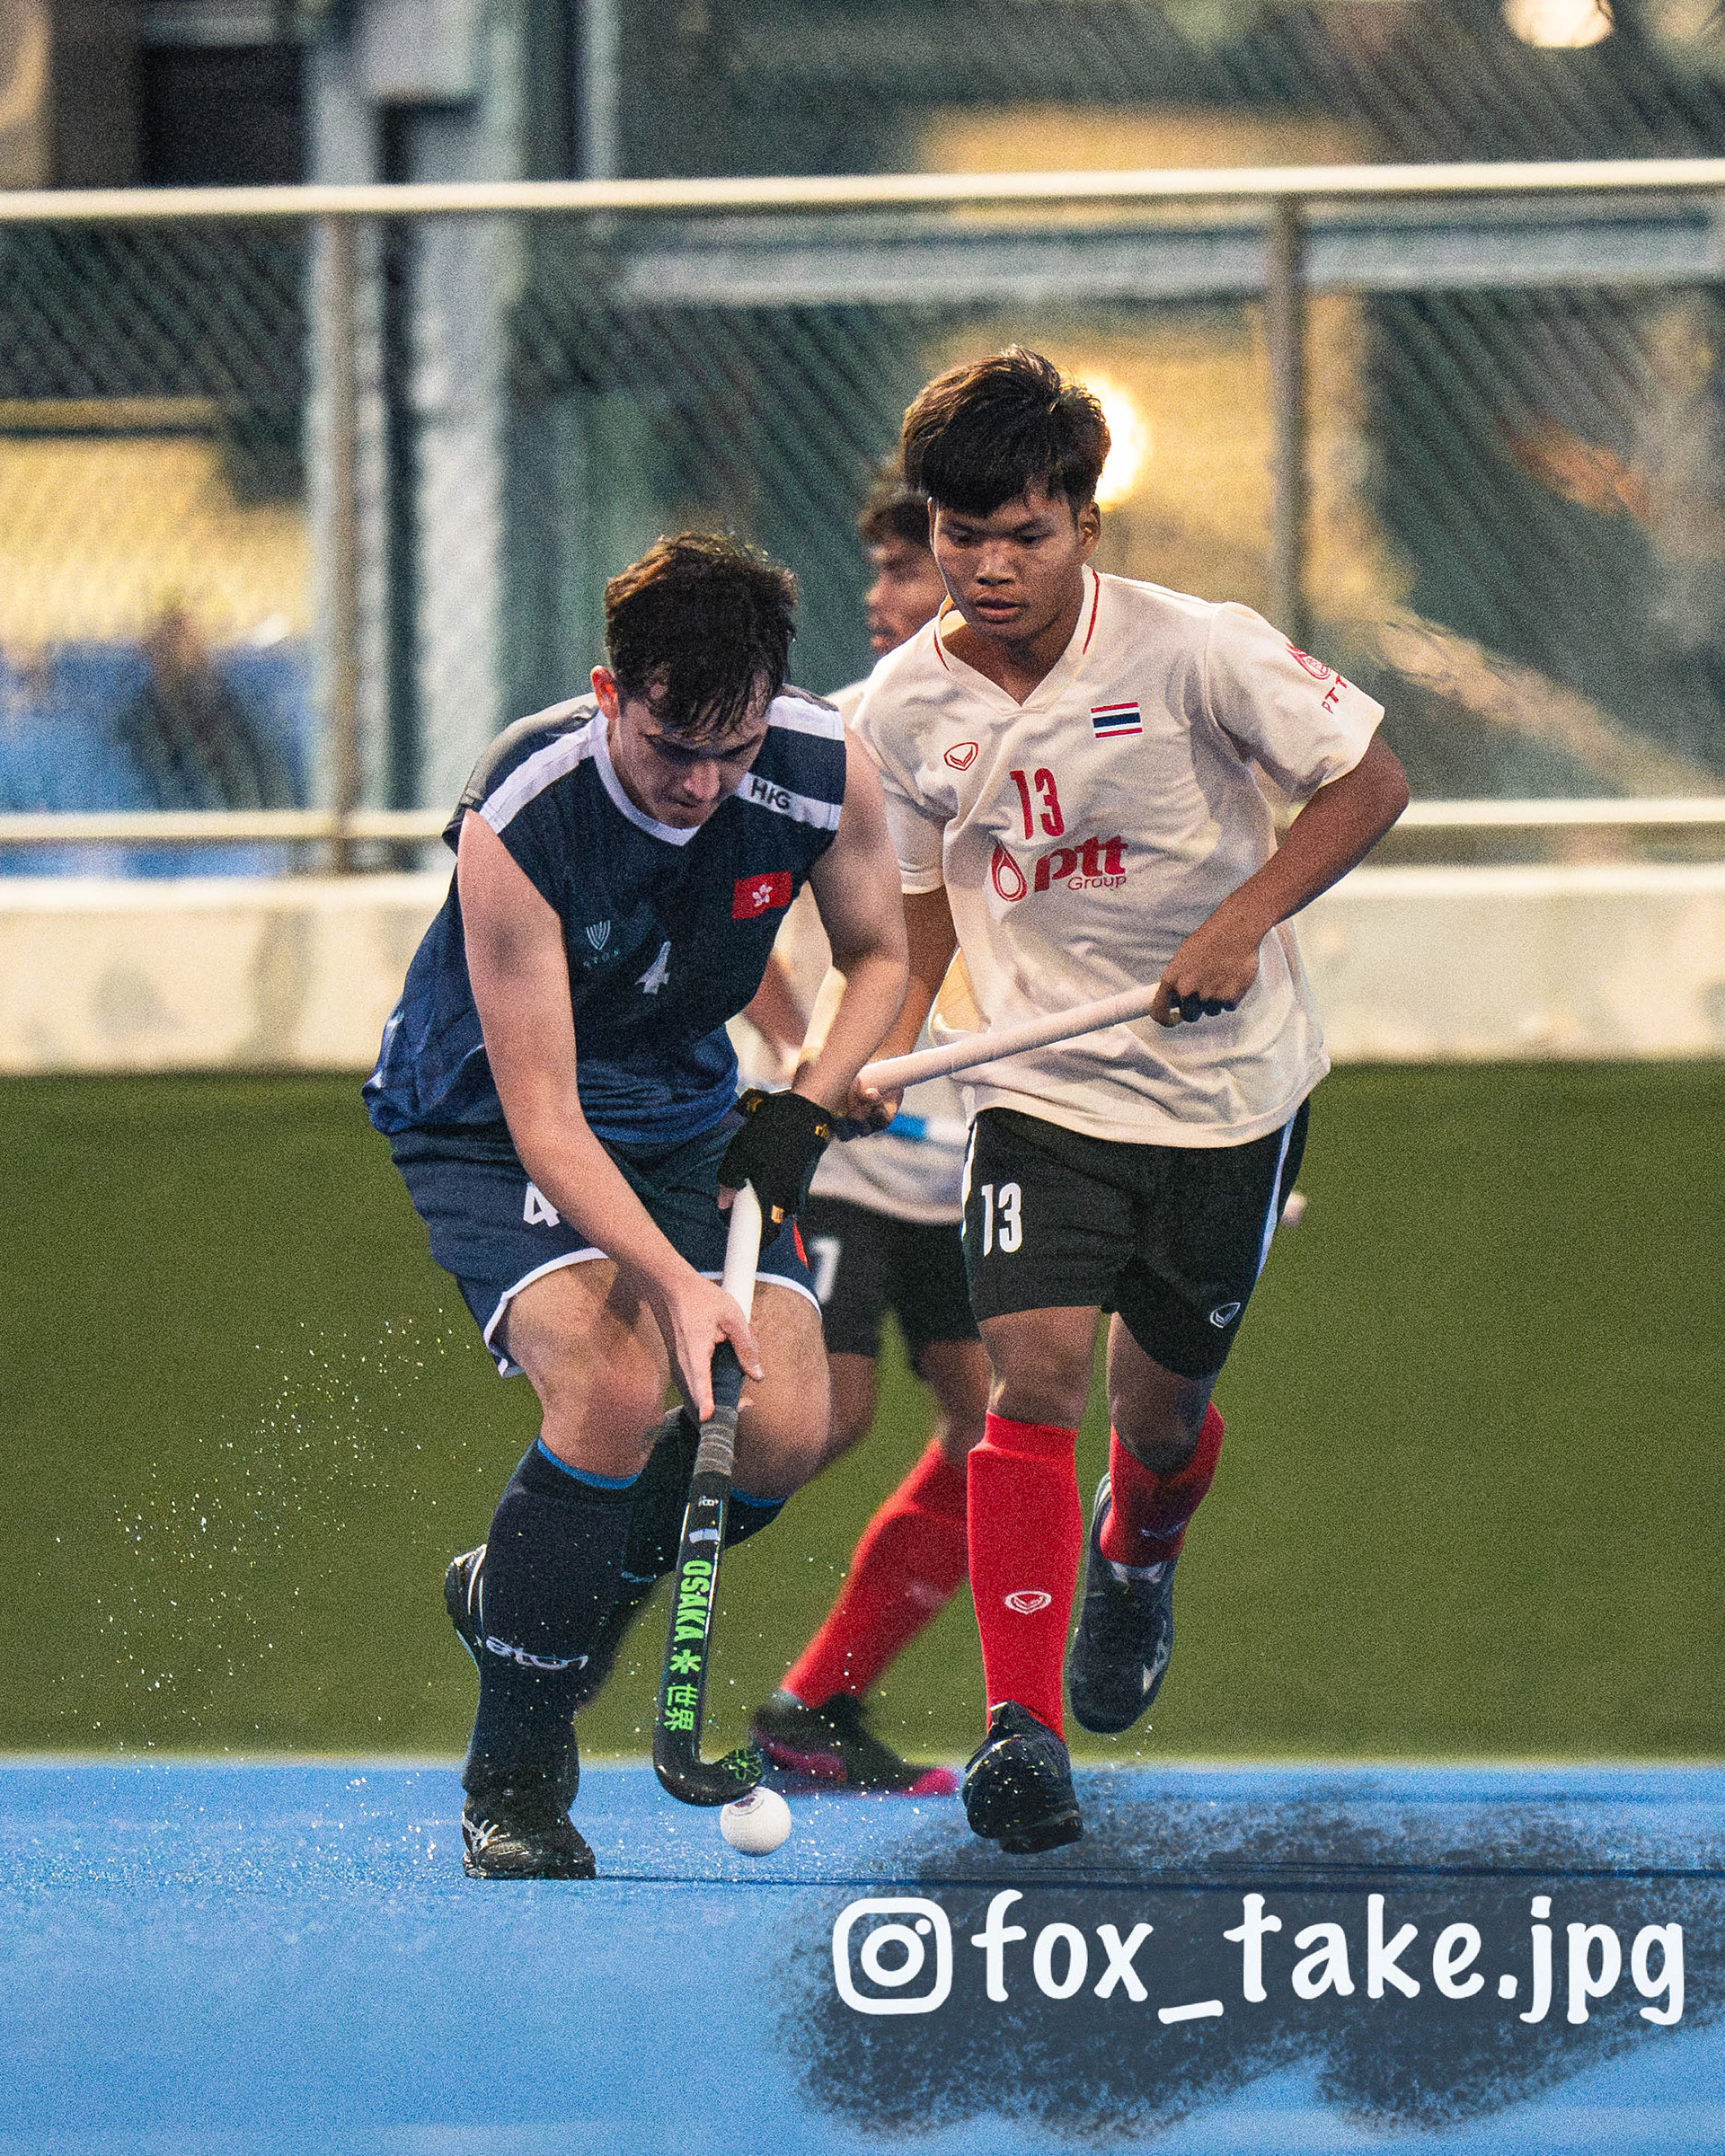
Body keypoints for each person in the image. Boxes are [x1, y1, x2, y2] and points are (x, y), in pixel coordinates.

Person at [848, 349, 1410, 1853]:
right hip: (1038, 1092)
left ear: (1085, 525)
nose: (990, 568)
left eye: (1025, 536)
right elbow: (920, 928)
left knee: (1159, 1424)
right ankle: (1019, 1735)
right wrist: (863, 1063)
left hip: (1229, 1098)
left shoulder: (1196, 650)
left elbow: (1370, 784)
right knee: (1031, 1377)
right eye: (962, 537)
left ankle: (1137, 1557)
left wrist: (1241, 923)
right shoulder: (899, 713)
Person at [364, 533, 907, 1879]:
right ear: (611, 692)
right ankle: (514, 1777)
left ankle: (527, 1595)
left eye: (733, 749)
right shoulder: (523, 814)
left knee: (785, 1426)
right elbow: (545, 1120)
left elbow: (882, 954)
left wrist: (808, 1106)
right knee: (614, 1389)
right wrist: (674, 1284)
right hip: (490, 1118)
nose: (702, 783)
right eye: (672, 746)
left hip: (681, 1113)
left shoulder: (818, 764)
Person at [740, 481, 993, 1797]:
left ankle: (817, 1705)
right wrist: (808, 1062)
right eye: (886, 569)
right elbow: (724, 922)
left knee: (997, 1423)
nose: (884, 597)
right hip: (834, 1155)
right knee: (816, 1418)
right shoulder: (827, 741)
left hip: (965, 1161)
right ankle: (574, 1564)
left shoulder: (1042, 739)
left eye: (908, 571)